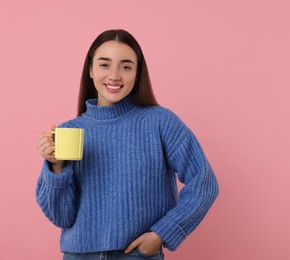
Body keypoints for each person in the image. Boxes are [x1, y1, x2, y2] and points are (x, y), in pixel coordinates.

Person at [36, 29, 219, 260]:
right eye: (104, 65)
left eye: (126, 66)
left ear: (137, 73)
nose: (114, 75)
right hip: (77, 255)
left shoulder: (160, 122)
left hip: (137, 255)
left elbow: (205, 182)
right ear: (90, 70)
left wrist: (162, 234)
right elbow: (62, 218)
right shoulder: (68, 131)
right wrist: (56, 168)